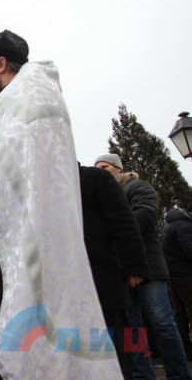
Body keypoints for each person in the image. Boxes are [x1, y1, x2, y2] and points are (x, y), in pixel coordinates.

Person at [0, 30, 121, 378]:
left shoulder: (27, 100)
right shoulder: (20, 102)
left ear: (1, 64)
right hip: (16, 236)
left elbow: (6, 167)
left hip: (31, 240)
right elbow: (3, 166)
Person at [95, 153, 191, 379]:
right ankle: (143, 375)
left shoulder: (138, 187)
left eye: (105, 167)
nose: (100, 171)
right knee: (132, 329)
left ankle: (178, 374)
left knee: (162, 323)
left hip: (149, 268)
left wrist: (111, 230)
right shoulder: (102, 197)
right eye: (97, 167)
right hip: (121, 271)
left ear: (119, 168)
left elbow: (146, 215)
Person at [79, 164, 149, 379]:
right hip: (69, 286)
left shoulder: (96, 179)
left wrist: (134, 267)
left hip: (104, 278)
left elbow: (124, 223)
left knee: (118, 341)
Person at [162, 203, 192, 360]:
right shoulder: (185, 226)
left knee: (179, 313)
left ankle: (185, 350)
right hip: (186, 276)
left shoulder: (170, 224)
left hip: (172, 276)